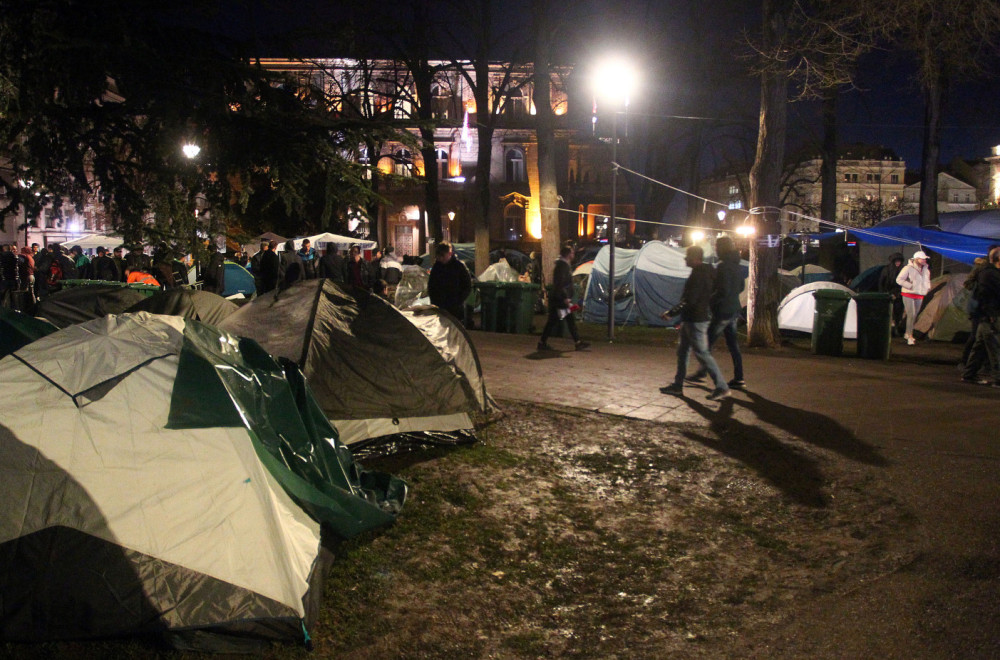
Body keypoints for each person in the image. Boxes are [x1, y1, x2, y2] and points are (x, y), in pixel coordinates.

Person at [660, 245, 730, 401]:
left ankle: (722, 386)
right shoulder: (705, 272)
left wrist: (671, 313)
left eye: (687, 256)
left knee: (702, 353)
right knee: (683, 352)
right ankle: (677, 386)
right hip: (692, 318)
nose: (685, 259)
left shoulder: (699, 275)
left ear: (695, 258)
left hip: (695, 320)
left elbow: (690, 299)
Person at [685, 236, 745, 389]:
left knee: (707, 343)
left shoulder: (723, 267)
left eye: (717, 247)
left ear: (722, 249)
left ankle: (701, 374)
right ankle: (739, 377)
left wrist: (711, 300)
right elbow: (741, 288)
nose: (716, 250)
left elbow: (721, 290)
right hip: (733, 309)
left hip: (722, 310)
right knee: (733, 345)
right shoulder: (738, 266)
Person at [537, 245, 589, 351]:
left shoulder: (562, 265)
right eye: (572, 253)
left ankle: (577, 342)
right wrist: (565, 297)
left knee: (562, 320)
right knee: (559, 321)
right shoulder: (562, 266)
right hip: (560, 299)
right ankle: (576, 342)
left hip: (559, 298)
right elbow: (560, 283)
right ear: (568, 254)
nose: (573, 255)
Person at [961, 247, 1000, 386]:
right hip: (990, 315)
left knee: (981, 345)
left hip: (986, 314)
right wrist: (990, 313)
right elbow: (985, 295)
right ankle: (998, 378)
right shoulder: (989, 274)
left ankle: (969, 374)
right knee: (994, 345)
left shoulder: (990, 272)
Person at [427, 240, 472, 324]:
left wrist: (459, 300)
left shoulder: (459, 267)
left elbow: (467, 285)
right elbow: (431, 285)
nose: (441, 258)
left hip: (455, 307)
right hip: (439, 306)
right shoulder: (436, 267)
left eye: (443, 256)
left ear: (449, 254)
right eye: (439, 256)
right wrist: (434, 301)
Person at [895, 250, 932, 345]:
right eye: (922, 259)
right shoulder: (907, 268)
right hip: (908, 294)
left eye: (925, 259)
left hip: (919, 294)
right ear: (917, 259)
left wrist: (927, 288)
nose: (924, 260)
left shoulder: (926, 270)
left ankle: (907, 333)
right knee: (911, 314)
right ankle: (910, 336)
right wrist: (909, 285)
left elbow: (927, 281)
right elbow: (899, 279)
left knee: (915, 315)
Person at [878, 252, 905, 337]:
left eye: (899, 261)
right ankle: (889, 330)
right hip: (888, 293)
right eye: (896, 261)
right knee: (890, 313)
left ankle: (896, 329)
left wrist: (899, 294)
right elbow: (882, 283)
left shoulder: (903, 270)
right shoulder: (886, 270)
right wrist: (885, 294)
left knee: (898, 313)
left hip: (899, 295)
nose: (898, 263)